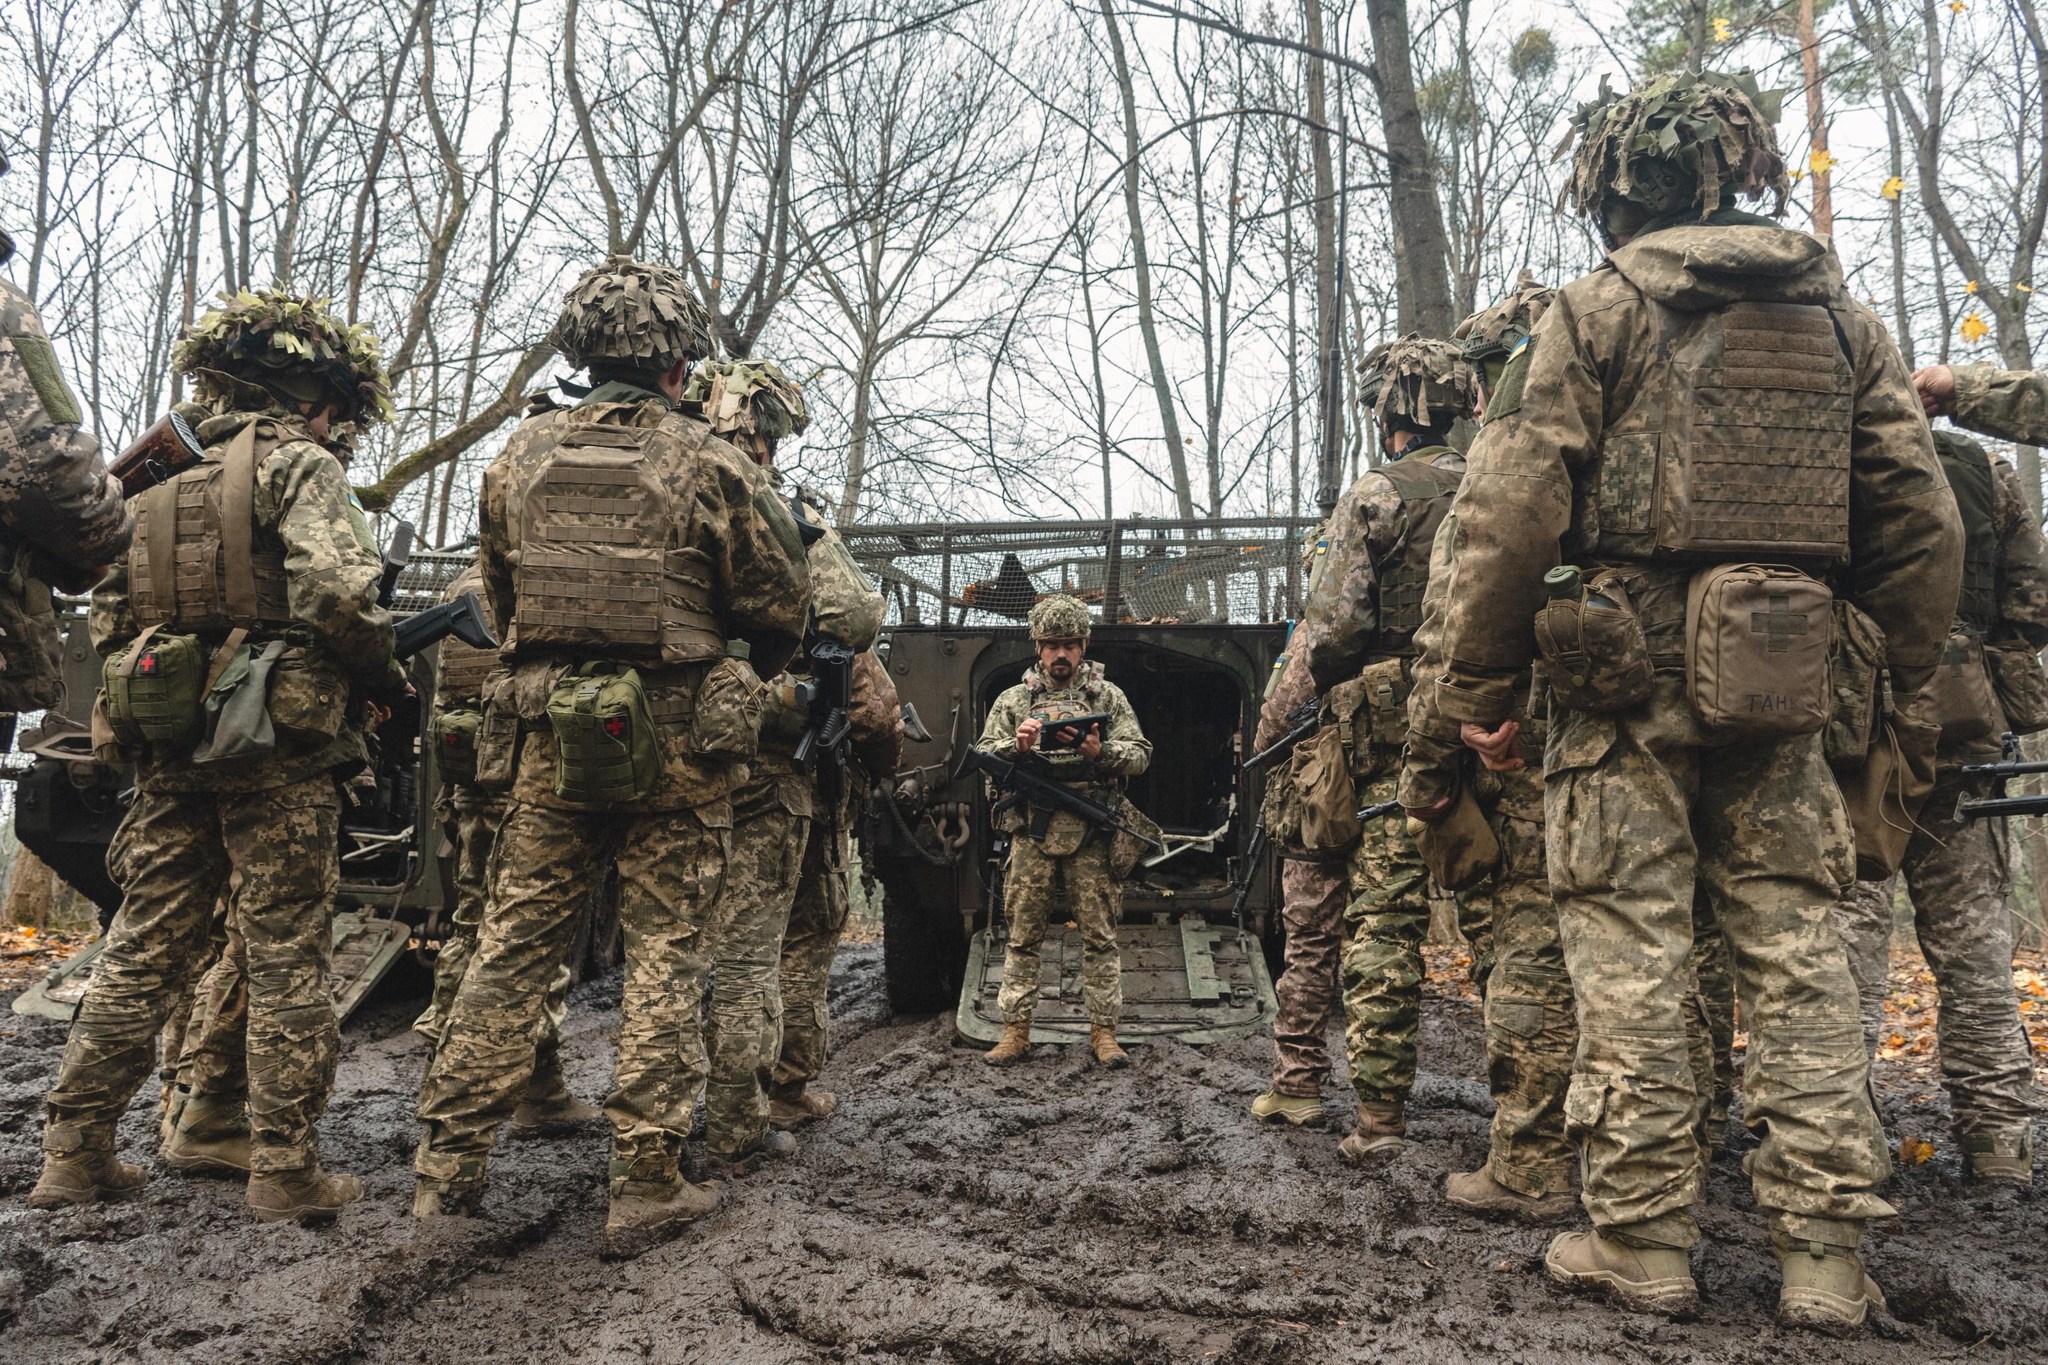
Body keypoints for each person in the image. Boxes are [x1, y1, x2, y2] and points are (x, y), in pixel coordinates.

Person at [1402, 71, 1961, 1333]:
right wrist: (1883, 675)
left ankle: (1642, 1238)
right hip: (1789, 671)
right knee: (1798, 951)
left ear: (1610, 185)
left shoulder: (1594, 312)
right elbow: (1918, 525)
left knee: (1630, 950)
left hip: (1621, 678)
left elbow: (1506, 512)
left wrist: (1477, 695)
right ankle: (1824, 1255)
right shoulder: (1843, 320)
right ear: (1737, 170)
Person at [410, 256, 810, 1261]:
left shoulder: (517, 457)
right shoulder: (712, 463)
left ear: (581, 353)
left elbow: (496, 606)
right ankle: (644, 1184)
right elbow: (779, 609)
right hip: (676, 748)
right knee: (668, 954)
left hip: (549, 740)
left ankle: (445, 1178)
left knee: (510, 949)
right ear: (679, 360)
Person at [34, 289, 405, 1223]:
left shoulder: (147, 477)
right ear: (306, 394)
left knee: (143, 948)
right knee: (285, 953)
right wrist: (387, 677)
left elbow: (113, 624)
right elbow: (344, 601)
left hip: (167, 747)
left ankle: (73, 1151)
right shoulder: (299, 467)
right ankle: (284, 1170)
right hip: (277, 752)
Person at [680, 358, 899, 1166]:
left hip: (676, 749)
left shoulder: (659, 490)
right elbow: (855, 610)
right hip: (772, 762)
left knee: (692, 939)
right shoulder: (777, 505)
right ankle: (746, 1107)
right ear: (766, 435)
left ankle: (759, 1087)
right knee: (763, 942)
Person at [1833, 426, 2047, 1187]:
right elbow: (2031, 602)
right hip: (1969, 738)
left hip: (1861, 742)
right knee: (1978, 958)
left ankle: (1843, 1142)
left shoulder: (1836, 453)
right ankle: (1999, 1147)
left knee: (1848, 951)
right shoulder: (1988, 471)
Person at [1294, 334, 1480, 1165]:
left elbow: (1331, 630)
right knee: (1505, 927)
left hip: (1395, 737)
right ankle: (1530, 1125)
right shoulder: (1495, 483)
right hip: (1494, 724)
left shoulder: (1378, 495)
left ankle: (1379, 1119)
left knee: (1384, 923)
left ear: (1392, 410)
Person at [414, 559, 596, 1136]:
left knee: (472, 927)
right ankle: (525, 1091)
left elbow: (448, 692)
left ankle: (460, 1070)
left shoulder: (463, 585)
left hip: (469, 779)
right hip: (528, 779)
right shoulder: (549, 579)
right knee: (531, 941)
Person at [975, 593, 1151, 1067]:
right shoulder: (1014, 700)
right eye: (1051, 644)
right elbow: (983, 754)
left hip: (1091, 830)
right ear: (1037, 646)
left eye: (1070, 644)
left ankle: (1104, 1034)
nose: (1060, 655)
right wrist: (1016, 746)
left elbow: (1139, 753)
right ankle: (1015, 1031)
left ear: (1084, 644)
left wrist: (1101, 753)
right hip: (1031, 829)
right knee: (1022, 934)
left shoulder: (1108, 698)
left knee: (1100, 936)